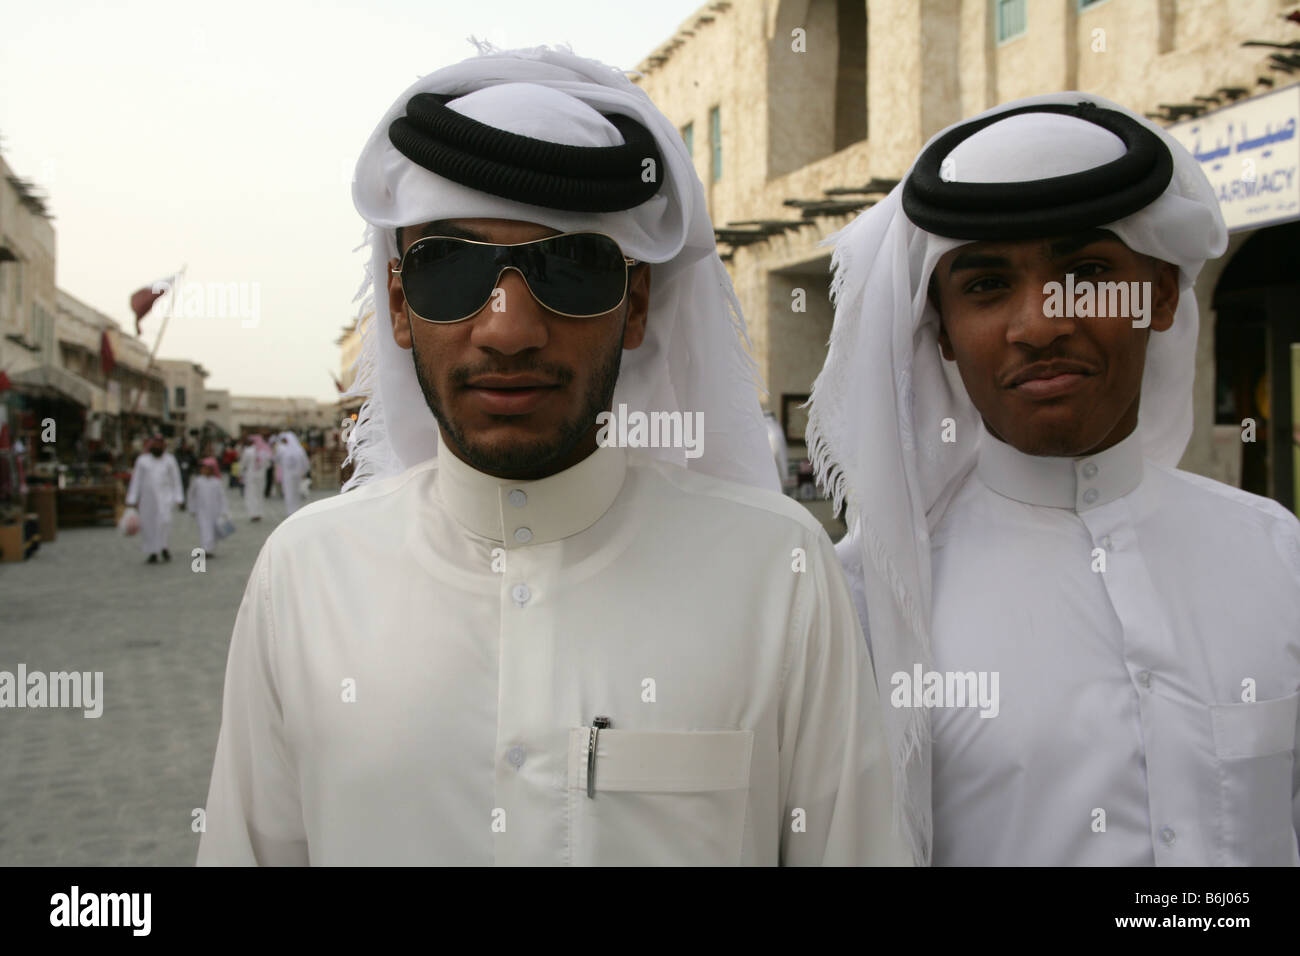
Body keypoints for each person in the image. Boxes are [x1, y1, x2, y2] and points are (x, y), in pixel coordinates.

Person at [198, 43, 905, 867]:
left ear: (635, 305)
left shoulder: (777, 571)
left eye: (569, 267)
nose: (508, 329)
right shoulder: (307, 574)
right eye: (451, 268)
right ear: (398, 305)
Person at [806, 93, 1300, 866]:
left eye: (1086, 271)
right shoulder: (868, 601)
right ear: (937, 330)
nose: (1039, 324)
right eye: (985, 285)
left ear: (1161, 295)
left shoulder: (1277, 554)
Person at [124, 433, 183, 564]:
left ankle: (163, 546)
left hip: (165, 497)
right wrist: (132, 499)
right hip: (147, 499)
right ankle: (152, 551)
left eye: (160, 444)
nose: (158, 446)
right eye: (155, 444)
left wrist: (179, 497)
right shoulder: (142, 460)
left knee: (164, 522)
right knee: (149, 525)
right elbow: (136, 480)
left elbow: (176, 479)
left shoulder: (169, 460)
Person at [187, 456, 229, 556]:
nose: (204, 470)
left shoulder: (216, 482)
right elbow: (191, 495)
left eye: (207, 468)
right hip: (201, 511)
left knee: (212, 530)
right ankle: (205, 549)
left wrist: (224, 511)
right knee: (204, 530)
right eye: (203, 468)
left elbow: (222, 497)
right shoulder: (197, 481)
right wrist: (192, 508)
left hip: (215, 511)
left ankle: (210, 548)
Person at [273, 431, 310, 516]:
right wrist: (303, 472)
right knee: (293, 493)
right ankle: (294, 510)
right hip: (295, 475)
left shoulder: (282, 449)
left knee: (291, 492)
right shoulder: (299, 450)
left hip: (289, 475)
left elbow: (276, 459)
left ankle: (291, 511)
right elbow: (305, 463)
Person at [239, 435, 272, 521]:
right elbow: (268, 465)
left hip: (251, 476)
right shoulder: (265, 452)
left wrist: (240, 474)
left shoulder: (248, 451)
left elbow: (243, 464)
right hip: (261, 476)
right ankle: (259, 513)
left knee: (251, 494)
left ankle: (253, 513)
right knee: (259, 494)